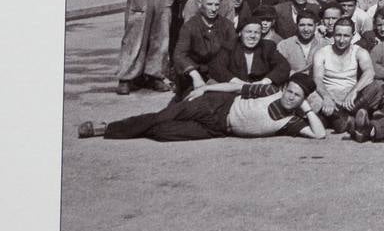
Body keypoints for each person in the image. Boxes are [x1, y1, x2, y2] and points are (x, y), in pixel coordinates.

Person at [78, 73, 327, 141]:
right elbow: (235, 88)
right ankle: (105, 128)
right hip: (216, 105)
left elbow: (319, 134)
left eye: (298, 96)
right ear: (284, 88)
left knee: (163, 133)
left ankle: (141, 128)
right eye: (291, 91)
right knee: (160, 117)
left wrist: (306, 109)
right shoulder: (270, 91)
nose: (292, 97)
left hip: (219, 128)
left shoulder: (290, 122)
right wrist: (205, 89)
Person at [310, 17, 378, 132]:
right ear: (333, 34)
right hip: (329, 99)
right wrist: (326, 97)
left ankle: (339, 118)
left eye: (346, 36)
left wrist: (354, 91)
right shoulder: (322, 53)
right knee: (313, 96)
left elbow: (369, 72)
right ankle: (343, 120)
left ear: (353, 35)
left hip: (350, 101)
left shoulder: (359, 51)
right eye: (338, 35)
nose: (341, 40)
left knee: (376, 86)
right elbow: (317, 79)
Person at [171, 0, 237, 99]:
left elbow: (234, 51)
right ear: (200, 4)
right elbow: (179, 54)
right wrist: (194, 74)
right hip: (194, 75)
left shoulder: (227, 26)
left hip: (219, 74)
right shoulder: (190, 26)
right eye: (209, 4)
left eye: (216, 5)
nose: (213, 9)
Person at [276, 6, 322, 73]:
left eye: (310, 25)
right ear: (297, 25)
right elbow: (278, 70)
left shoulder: (324, 44)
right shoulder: (284, 45)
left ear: (316, 25)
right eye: (302, 25)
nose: (306, 29)